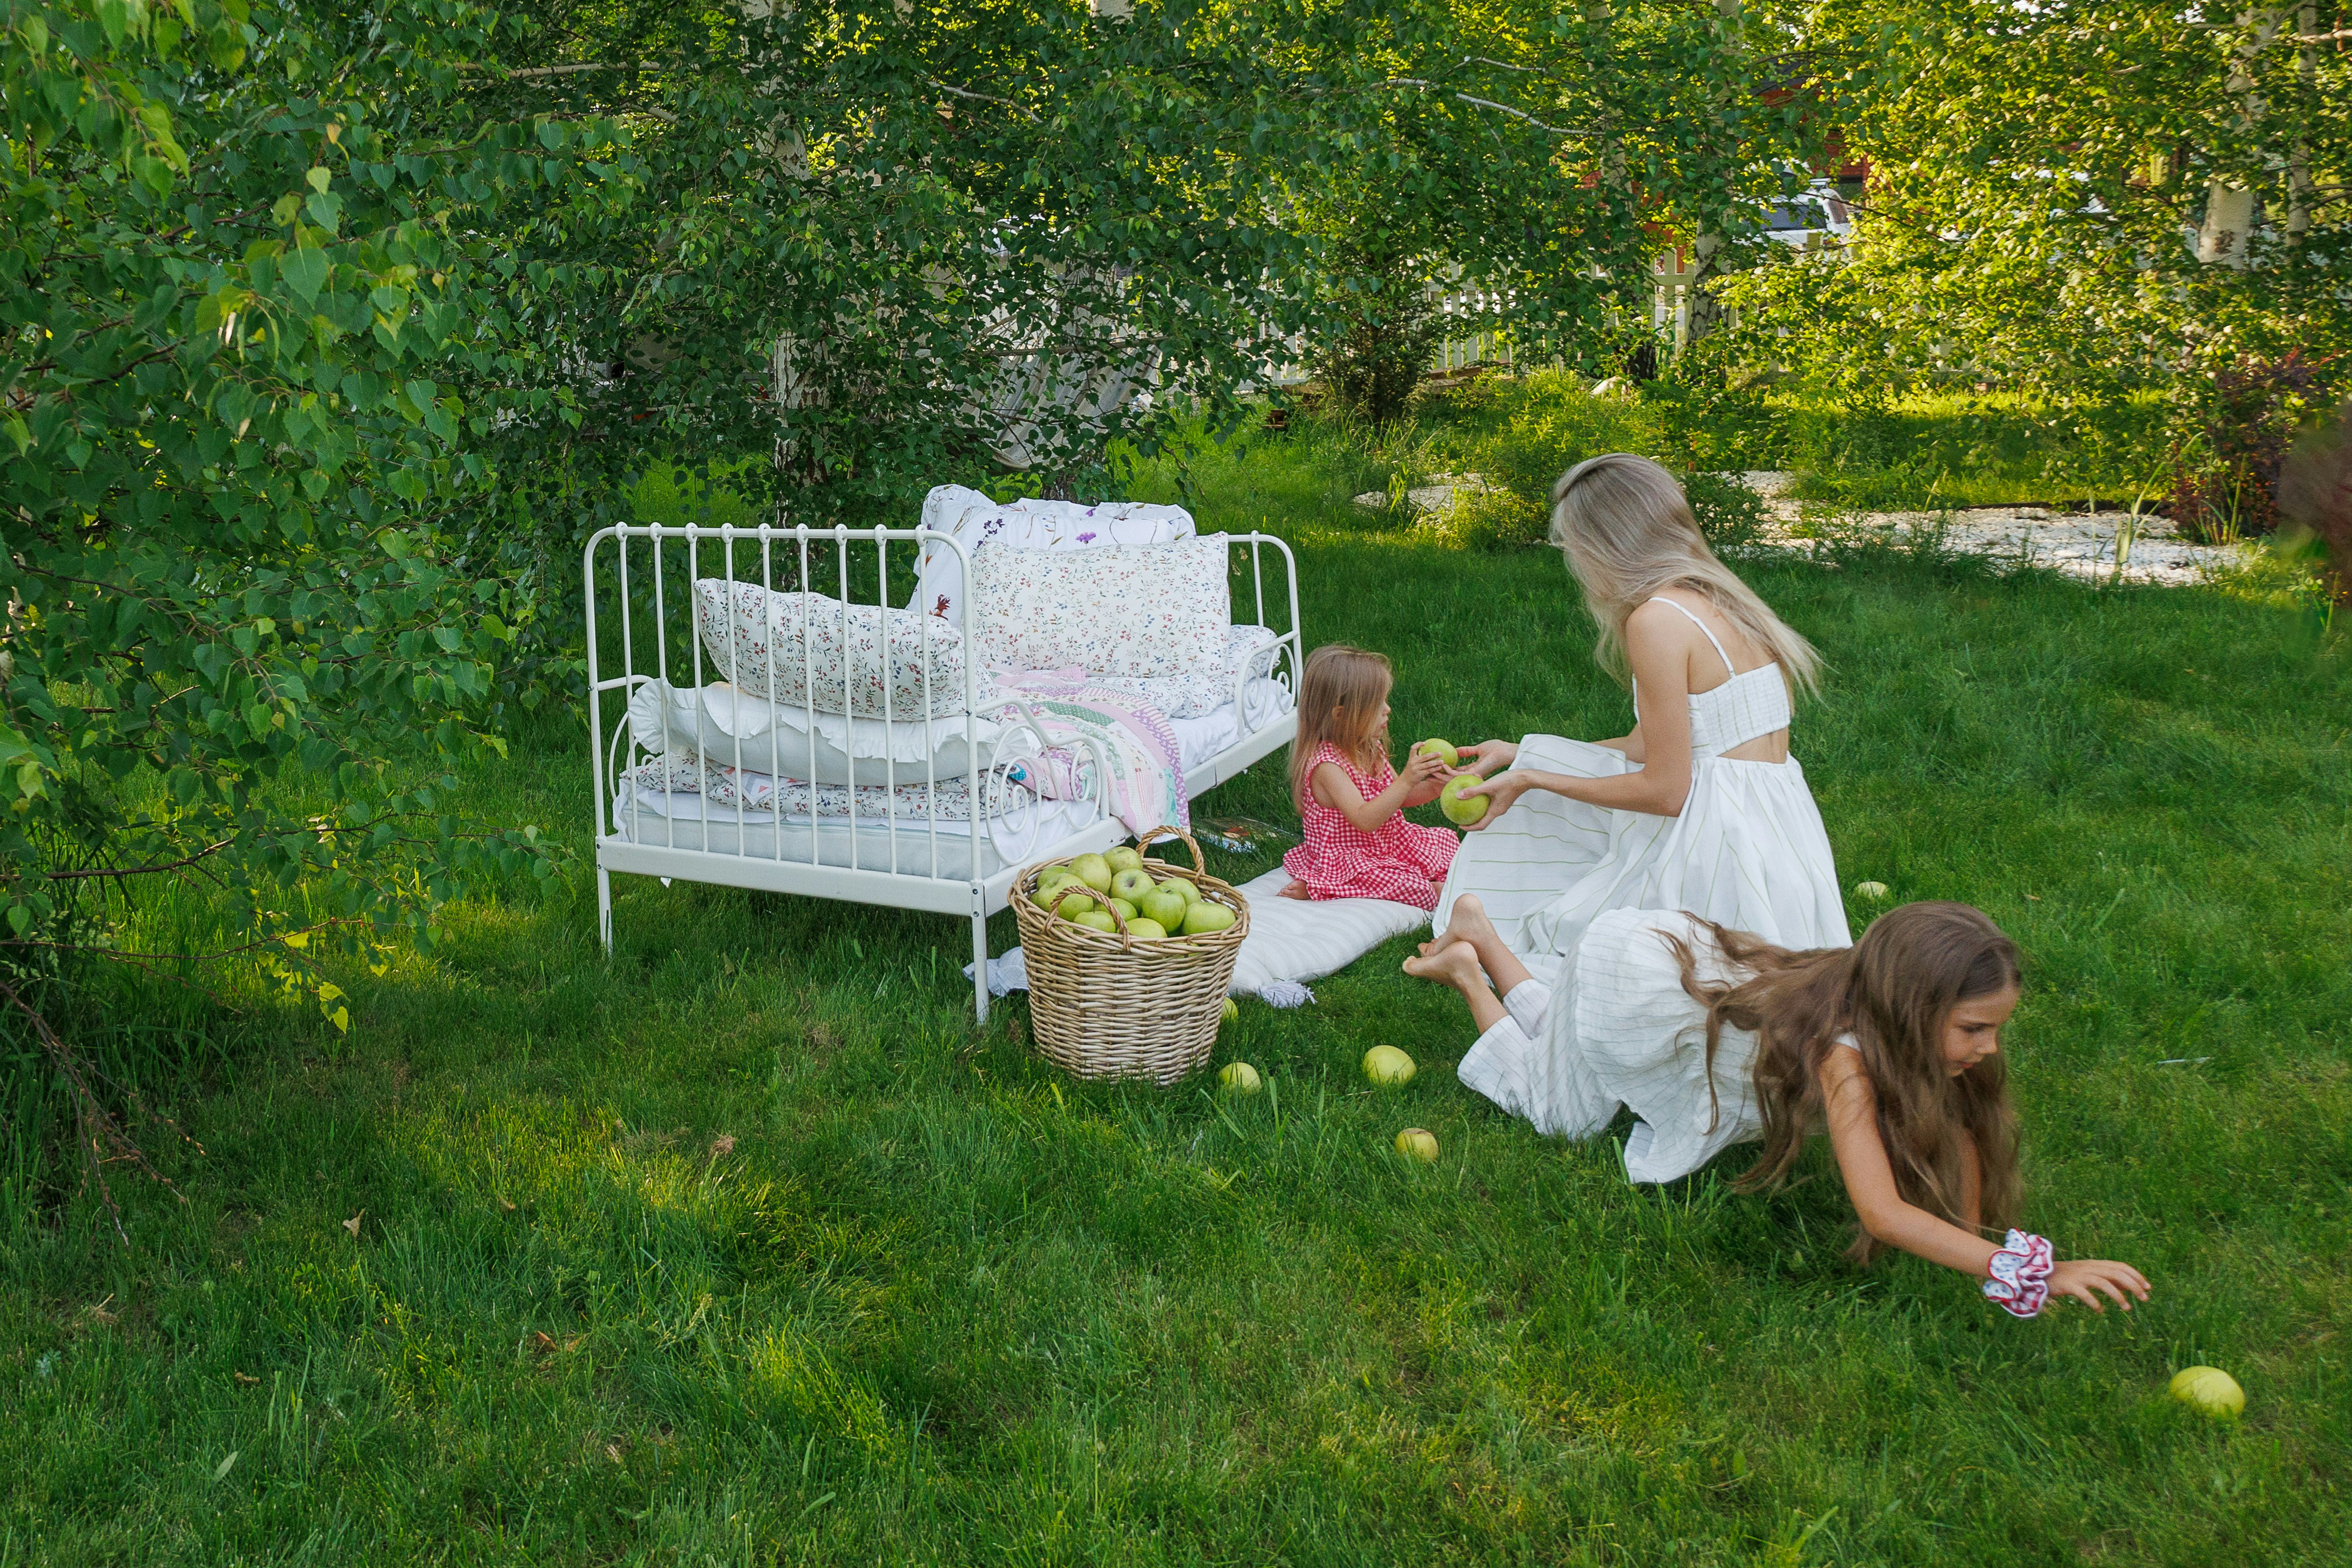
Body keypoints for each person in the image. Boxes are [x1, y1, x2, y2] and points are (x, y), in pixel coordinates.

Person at [1411, 898, 2151, 1315]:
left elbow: (1960, 1130)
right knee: (1559, 1110)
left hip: (1667, 970)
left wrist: (1975, 1238)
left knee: (1569, 1055)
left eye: (1995, 1028)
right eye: (1974, 1028)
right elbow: (1882, 1212)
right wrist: (2026, 1270)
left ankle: (1482, 933)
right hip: (1631, 983)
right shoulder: (1846, 1056)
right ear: (1913, 1005)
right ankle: (1471, 972)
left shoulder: (1884, 1008)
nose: (1988, 1048)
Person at [1427, 453, 1848, 973]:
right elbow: (1643, 746)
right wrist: (1522, 754)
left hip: (1716, 848)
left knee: (1602, 968)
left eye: (1570, 546)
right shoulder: (1722, 599)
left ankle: (1479, 945)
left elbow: (1666, 791)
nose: (1574, 562)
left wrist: (1533, 780)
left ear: (1603, 544)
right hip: (1777, 837)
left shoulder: (1656, 622)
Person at [1278, 644, 1459, 909]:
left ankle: (1336, 884)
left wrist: (1435, 786)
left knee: (1447, 848)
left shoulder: (1367, 747)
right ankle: (1324, 884)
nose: (1387, 710)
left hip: (1385, 842)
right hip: (1348, 856)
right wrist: (1408, 778)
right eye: (1377, 705)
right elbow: (1364, 819)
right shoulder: (1328, 766)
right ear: (1341, 715)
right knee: (1417, 888)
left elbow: (1401, 797)